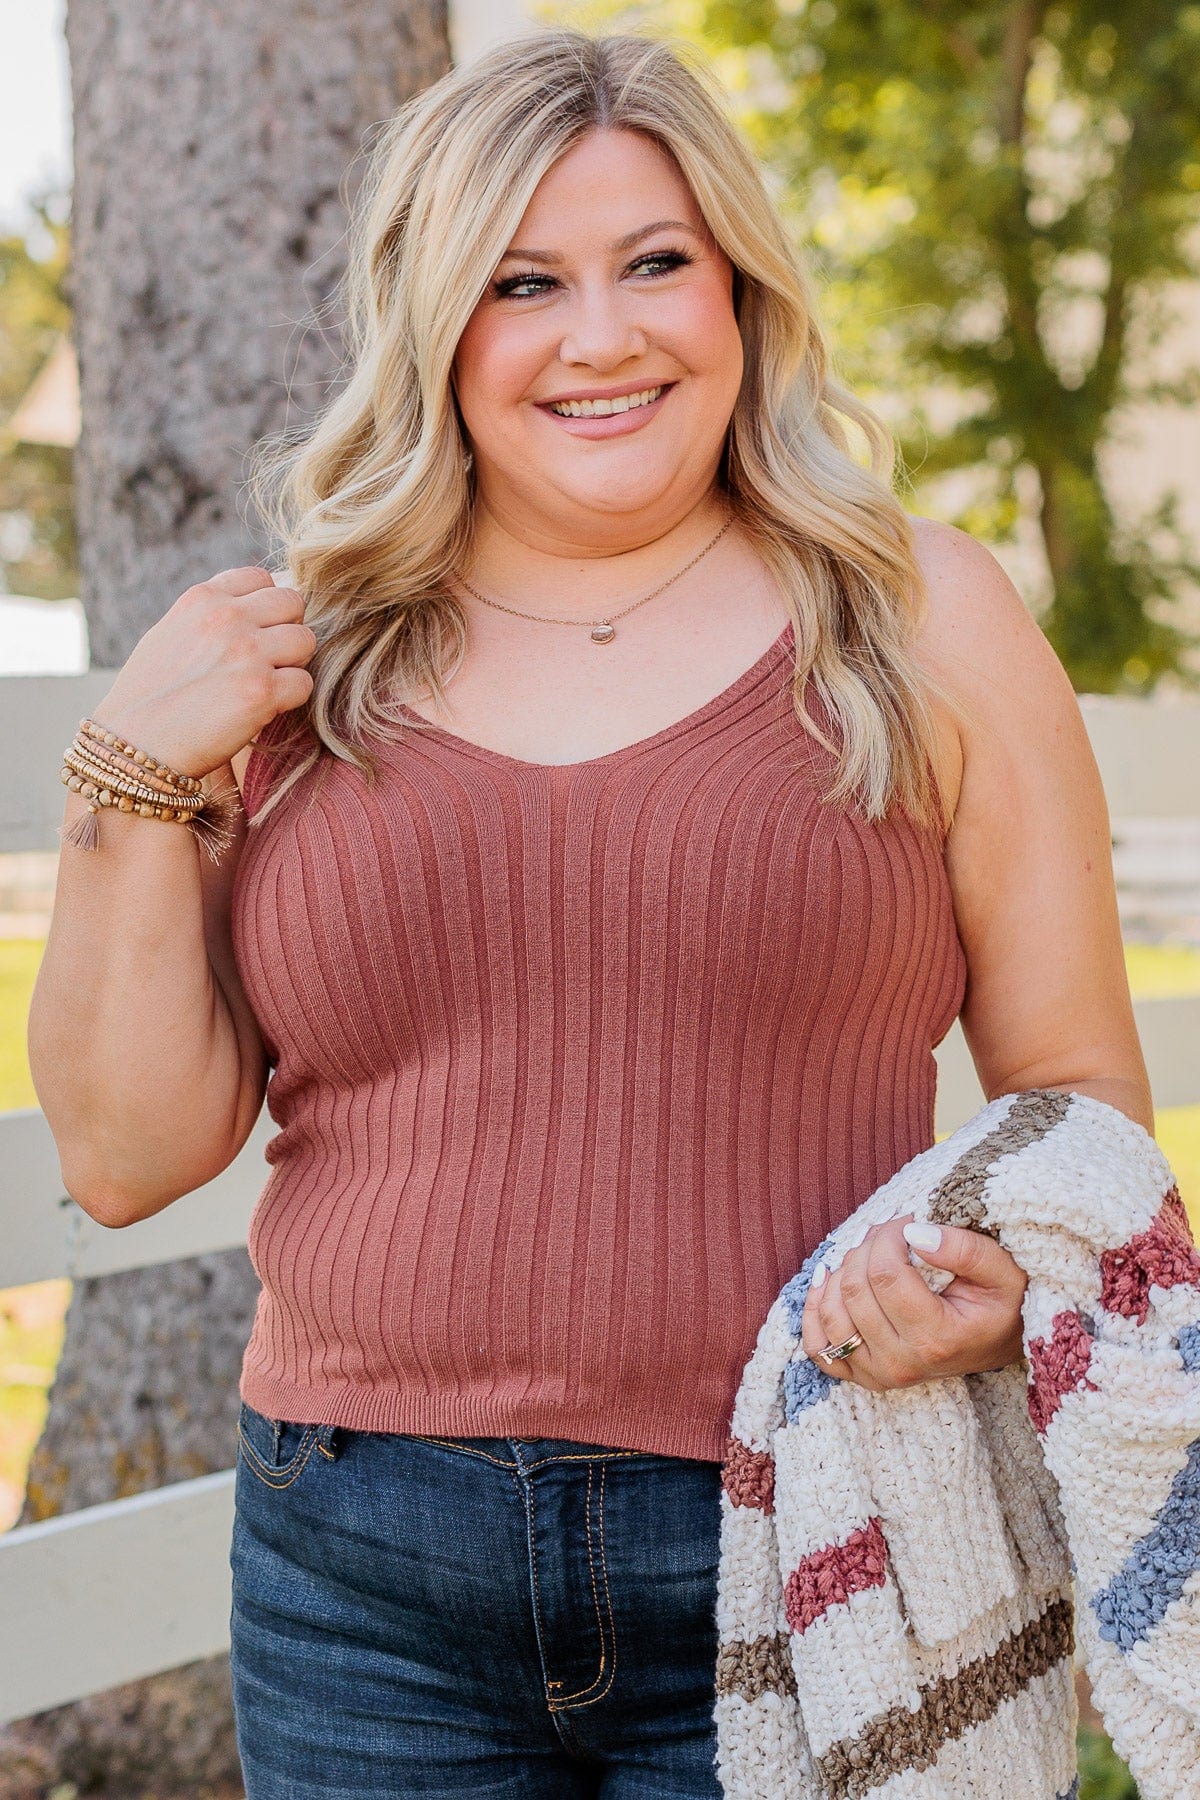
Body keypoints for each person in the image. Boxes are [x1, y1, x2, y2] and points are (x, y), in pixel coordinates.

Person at [29, 27, 1153, 1800]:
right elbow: (122, 1154)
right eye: (522, 281)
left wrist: (992, 1283)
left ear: (741, 293)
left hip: (797, 1531)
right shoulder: (303, 654)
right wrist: (125, 782)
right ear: (434, 322)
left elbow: (1077, 1090)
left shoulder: (911, 619)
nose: (603, 335)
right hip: (357, 1573)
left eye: (656, 265)